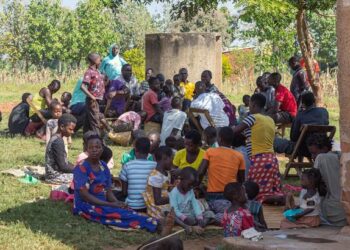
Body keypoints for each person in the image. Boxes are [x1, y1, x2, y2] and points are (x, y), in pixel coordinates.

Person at [73, 134, 157, 232]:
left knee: (127, 210)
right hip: (85, 205)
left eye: (97, 147)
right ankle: (153, 224)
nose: (94, 150)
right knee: (118, 215)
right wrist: (110, 204)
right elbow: (84, 196)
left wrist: (116, 202)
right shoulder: (81, 167)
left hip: (102, 203)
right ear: (86, 149)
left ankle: (150, 222)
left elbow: (108, 191)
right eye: (91, 147)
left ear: (102, 148)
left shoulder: (103, 166)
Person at [233, 93, 284, 204]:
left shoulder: (252, 118)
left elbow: (235, 131)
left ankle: (272, 199)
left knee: (254, 194)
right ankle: (279, 197)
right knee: (271, 189)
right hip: (272, 159)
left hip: (258, 159)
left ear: (254, 105)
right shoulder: (270, 120)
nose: (249, 107)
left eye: (250, 105)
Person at [306, 134, 347, 226]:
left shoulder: (322, 158)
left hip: (335, 213)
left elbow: (310, 186)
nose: (313, 157)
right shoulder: (340, 155)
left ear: (324, 148)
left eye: (314, 153)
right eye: (311, 154)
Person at [274, 92, 329, 156]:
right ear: (314, 101)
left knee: (274, 142)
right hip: (322, 148)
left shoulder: (301, 115)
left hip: (303, 149)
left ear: (303, 103)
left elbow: (293, 137)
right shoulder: (324, 112)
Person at [198, 127, 245, 201]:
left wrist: (196, 186)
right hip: (231, 196)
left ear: (219, 138)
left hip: (212, 195)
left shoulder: (210, 152)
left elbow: (200, 172)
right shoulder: (239, 155)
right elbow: (241, 180)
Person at [169, 167, 215, 233]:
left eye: (193, 186)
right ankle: (189, 226)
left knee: (209, 213)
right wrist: (184, 218)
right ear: (181, 179)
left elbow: (195, 204)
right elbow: (175, 210)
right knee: (171, 215)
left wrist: (199, 217)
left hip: (192, 216)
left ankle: (200, 224)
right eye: (190, 185)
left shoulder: (190, 191)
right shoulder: (174, 193)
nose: (191, 187)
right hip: (182, 217)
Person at [119, 137, 157, 212]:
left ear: (135, 149)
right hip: (150, 207)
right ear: (149, 150)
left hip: (132, 206)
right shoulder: (155, 165)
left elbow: (124, 192)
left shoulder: (127, 165)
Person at [45, 114, 76, 184]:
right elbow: (63, 167)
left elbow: (64, 162)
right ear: (62, 127)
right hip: (54, 176)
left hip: (52, 174)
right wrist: (79, 169)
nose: (72, 132)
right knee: (84, 177)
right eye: (70, 129)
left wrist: (75, 166)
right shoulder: (58, 141)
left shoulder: (56, 138)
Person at [143, 146, 173, 219]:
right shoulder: (156, 177)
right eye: (172, 159)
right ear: (164, 158)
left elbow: (166, 189)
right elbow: (158, 201)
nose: (172, 162)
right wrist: (175, 197)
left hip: (166, 201)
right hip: (157, 208)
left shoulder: (166, 173)